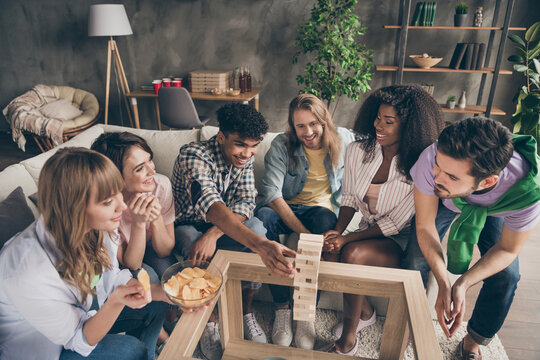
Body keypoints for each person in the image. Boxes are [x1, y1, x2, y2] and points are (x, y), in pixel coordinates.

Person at [0, 148, 168, 360]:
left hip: (83, 317)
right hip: (47, 349)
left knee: (156, 303)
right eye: (108, 202)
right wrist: (116, 302)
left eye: (118, 192)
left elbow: (113, 278)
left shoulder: (96, 228)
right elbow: (78, 338)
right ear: (74, 209)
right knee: (131, 351)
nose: (122, 206)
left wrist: (171, 294)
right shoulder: (26, 272)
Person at [321, 84, 444, 355]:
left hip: (401, 238)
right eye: (378, 117)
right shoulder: (357, 150)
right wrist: (336, 232)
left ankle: (348, 342)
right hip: (368, 228)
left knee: (351, 253)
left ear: (409, 126)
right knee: (329, 252)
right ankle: (365, 312)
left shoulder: (421, 166)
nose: (379, 125)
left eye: (389, 121)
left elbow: (394, 224)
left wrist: (347, 239)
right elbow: (351, 198)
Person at [408, 117, 540, 360]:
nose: (437, 177)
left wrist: (463, 283)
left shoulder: (527, 190)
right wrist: (444, 281)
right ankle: (408, 322)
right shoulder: (432, 159)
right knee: (415, 257)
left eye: (452, 176)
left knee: (507, 276)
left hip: (498, 207)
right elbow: (425, 226)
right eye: (438, 166)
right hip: (448, 200)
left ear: (488, 181)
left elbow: (508, 250)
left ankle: (473, 340)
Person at [172, 103, 296, 360]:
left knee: (258, 226)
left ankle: (245, 311)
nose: (247, 153)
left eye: (254, 146)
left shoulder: (244, 159)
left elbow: (246, 204)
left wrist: (214, 234)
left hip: (222, 227)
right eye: (240, 144)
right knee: (188, 241)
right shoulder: (192, 155)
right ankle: (211, 321)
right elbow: (211, 205)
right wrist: (260, 245)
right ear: (221, 137)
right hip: (190, 222)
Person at [255, 93, 355, 349]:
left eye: (313, 124)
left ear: (324, 121)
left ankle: (305, 311)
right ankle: (282, 308)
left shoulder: (343, 140)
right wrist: (303, 234)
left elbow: (375, 145)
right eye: (300, 126)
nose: (308, 132)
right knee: (262, 218)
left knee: (325, 219)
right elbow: (271, 194)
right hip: (286, 207)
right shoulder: (281, 144)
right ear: (292, 126)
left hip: (319, 210)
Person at [91, 132, 176, 282]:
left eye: (150, 160)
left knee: (172, 274)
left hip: (151, 245)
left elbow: (165, 251)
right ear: (116, 177)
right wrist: (139, 222)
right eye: (139, 169)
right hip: (129, 256)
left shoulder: (161, 185)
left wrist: (156, 217)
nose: (152, 171)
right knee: (150, 279)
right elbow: (132, 264)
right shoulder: (106, 206)